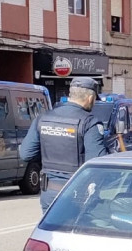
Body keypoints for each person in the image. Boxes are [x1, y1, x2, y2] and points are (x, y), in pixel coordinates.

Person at [19, 77, 107, 210]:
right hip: (77, 194)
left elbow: (26, 154)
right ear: (90, 98)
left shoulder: (43, 119)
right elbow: (98, 163)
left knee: (51, 231)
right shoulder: (89, 123)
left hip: (49, 193)